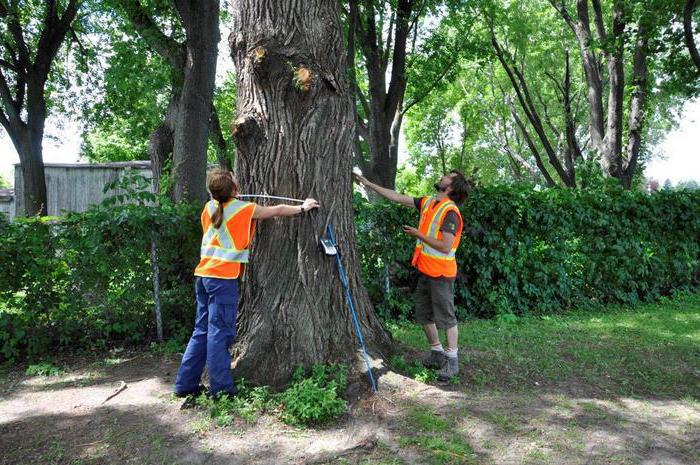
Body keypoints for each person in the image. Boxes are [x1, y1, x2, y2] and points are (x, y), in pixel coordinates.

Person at [174, 169, 320, 401]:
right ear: (233, 189)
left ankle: (185, 384)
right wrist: (303, 207)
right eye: (234, 179)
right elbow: (277, 210)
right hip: (222, 280)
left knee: (201, 331)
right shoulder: (243, 208)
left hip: (203, 277)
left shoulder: (209, 207)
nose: (237, 179)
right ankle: (221, 390)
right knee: (219, 334)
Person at [353, 171, 471, 381]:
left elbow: (445, 246)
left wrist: (419, 235)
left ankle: (452, 361)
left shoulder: (450, 212)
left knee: (446, 317)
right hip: (426, 271)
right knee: (423, 313)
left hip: (442, 274)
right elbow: (396, 197)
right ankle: (437, 353)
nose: (442, 176)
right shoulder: (428, 203)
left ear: (451, 187)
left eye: (447, 176)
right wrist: (368, 183)